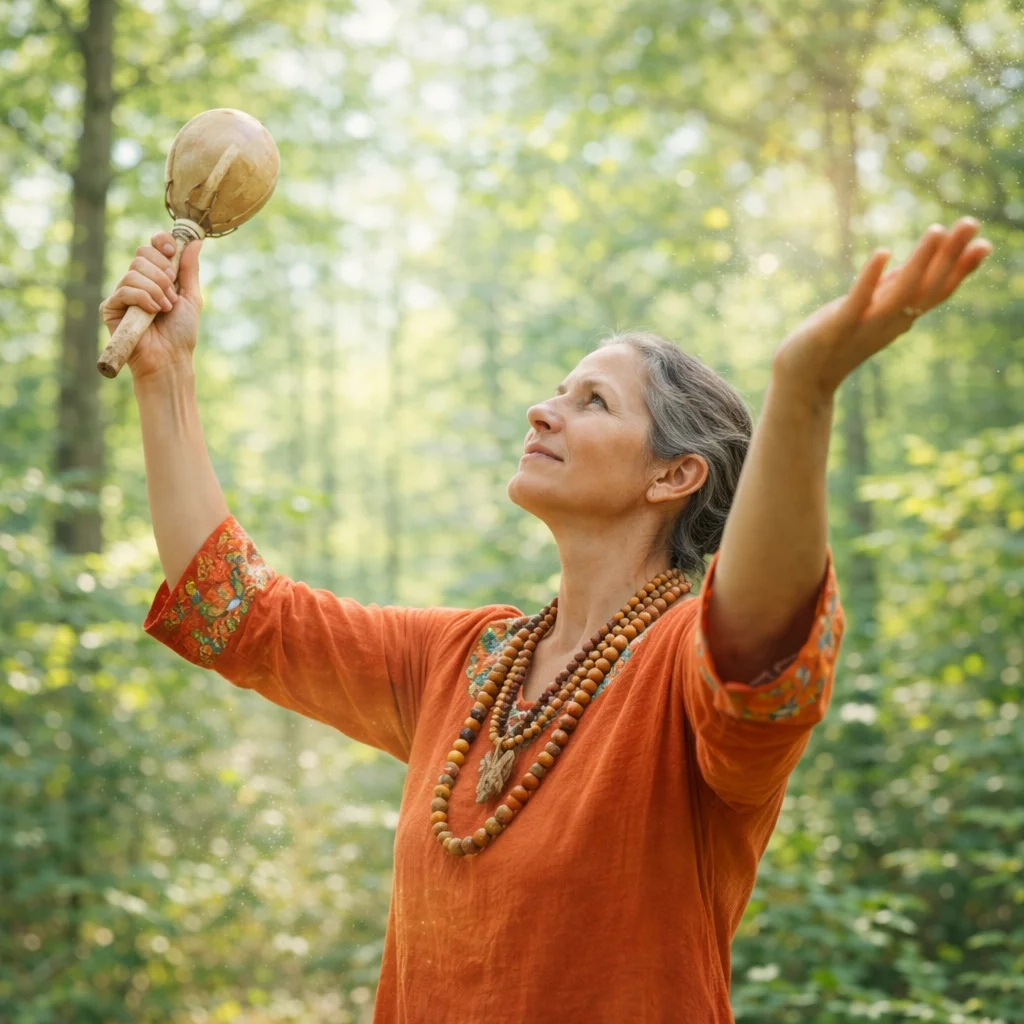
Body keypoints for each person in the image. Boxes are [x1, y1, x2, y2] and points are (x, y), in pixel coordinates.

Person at [100, 218, 991, 1023]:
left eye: (592, 401)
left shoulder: (684, 667)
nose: (543, 408)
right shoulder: (461, 659)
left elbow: (760, 635)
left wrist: (804, 388)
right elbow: (238, 610)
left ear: (674, 476)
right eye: (558, 390)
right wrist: (166, 372)